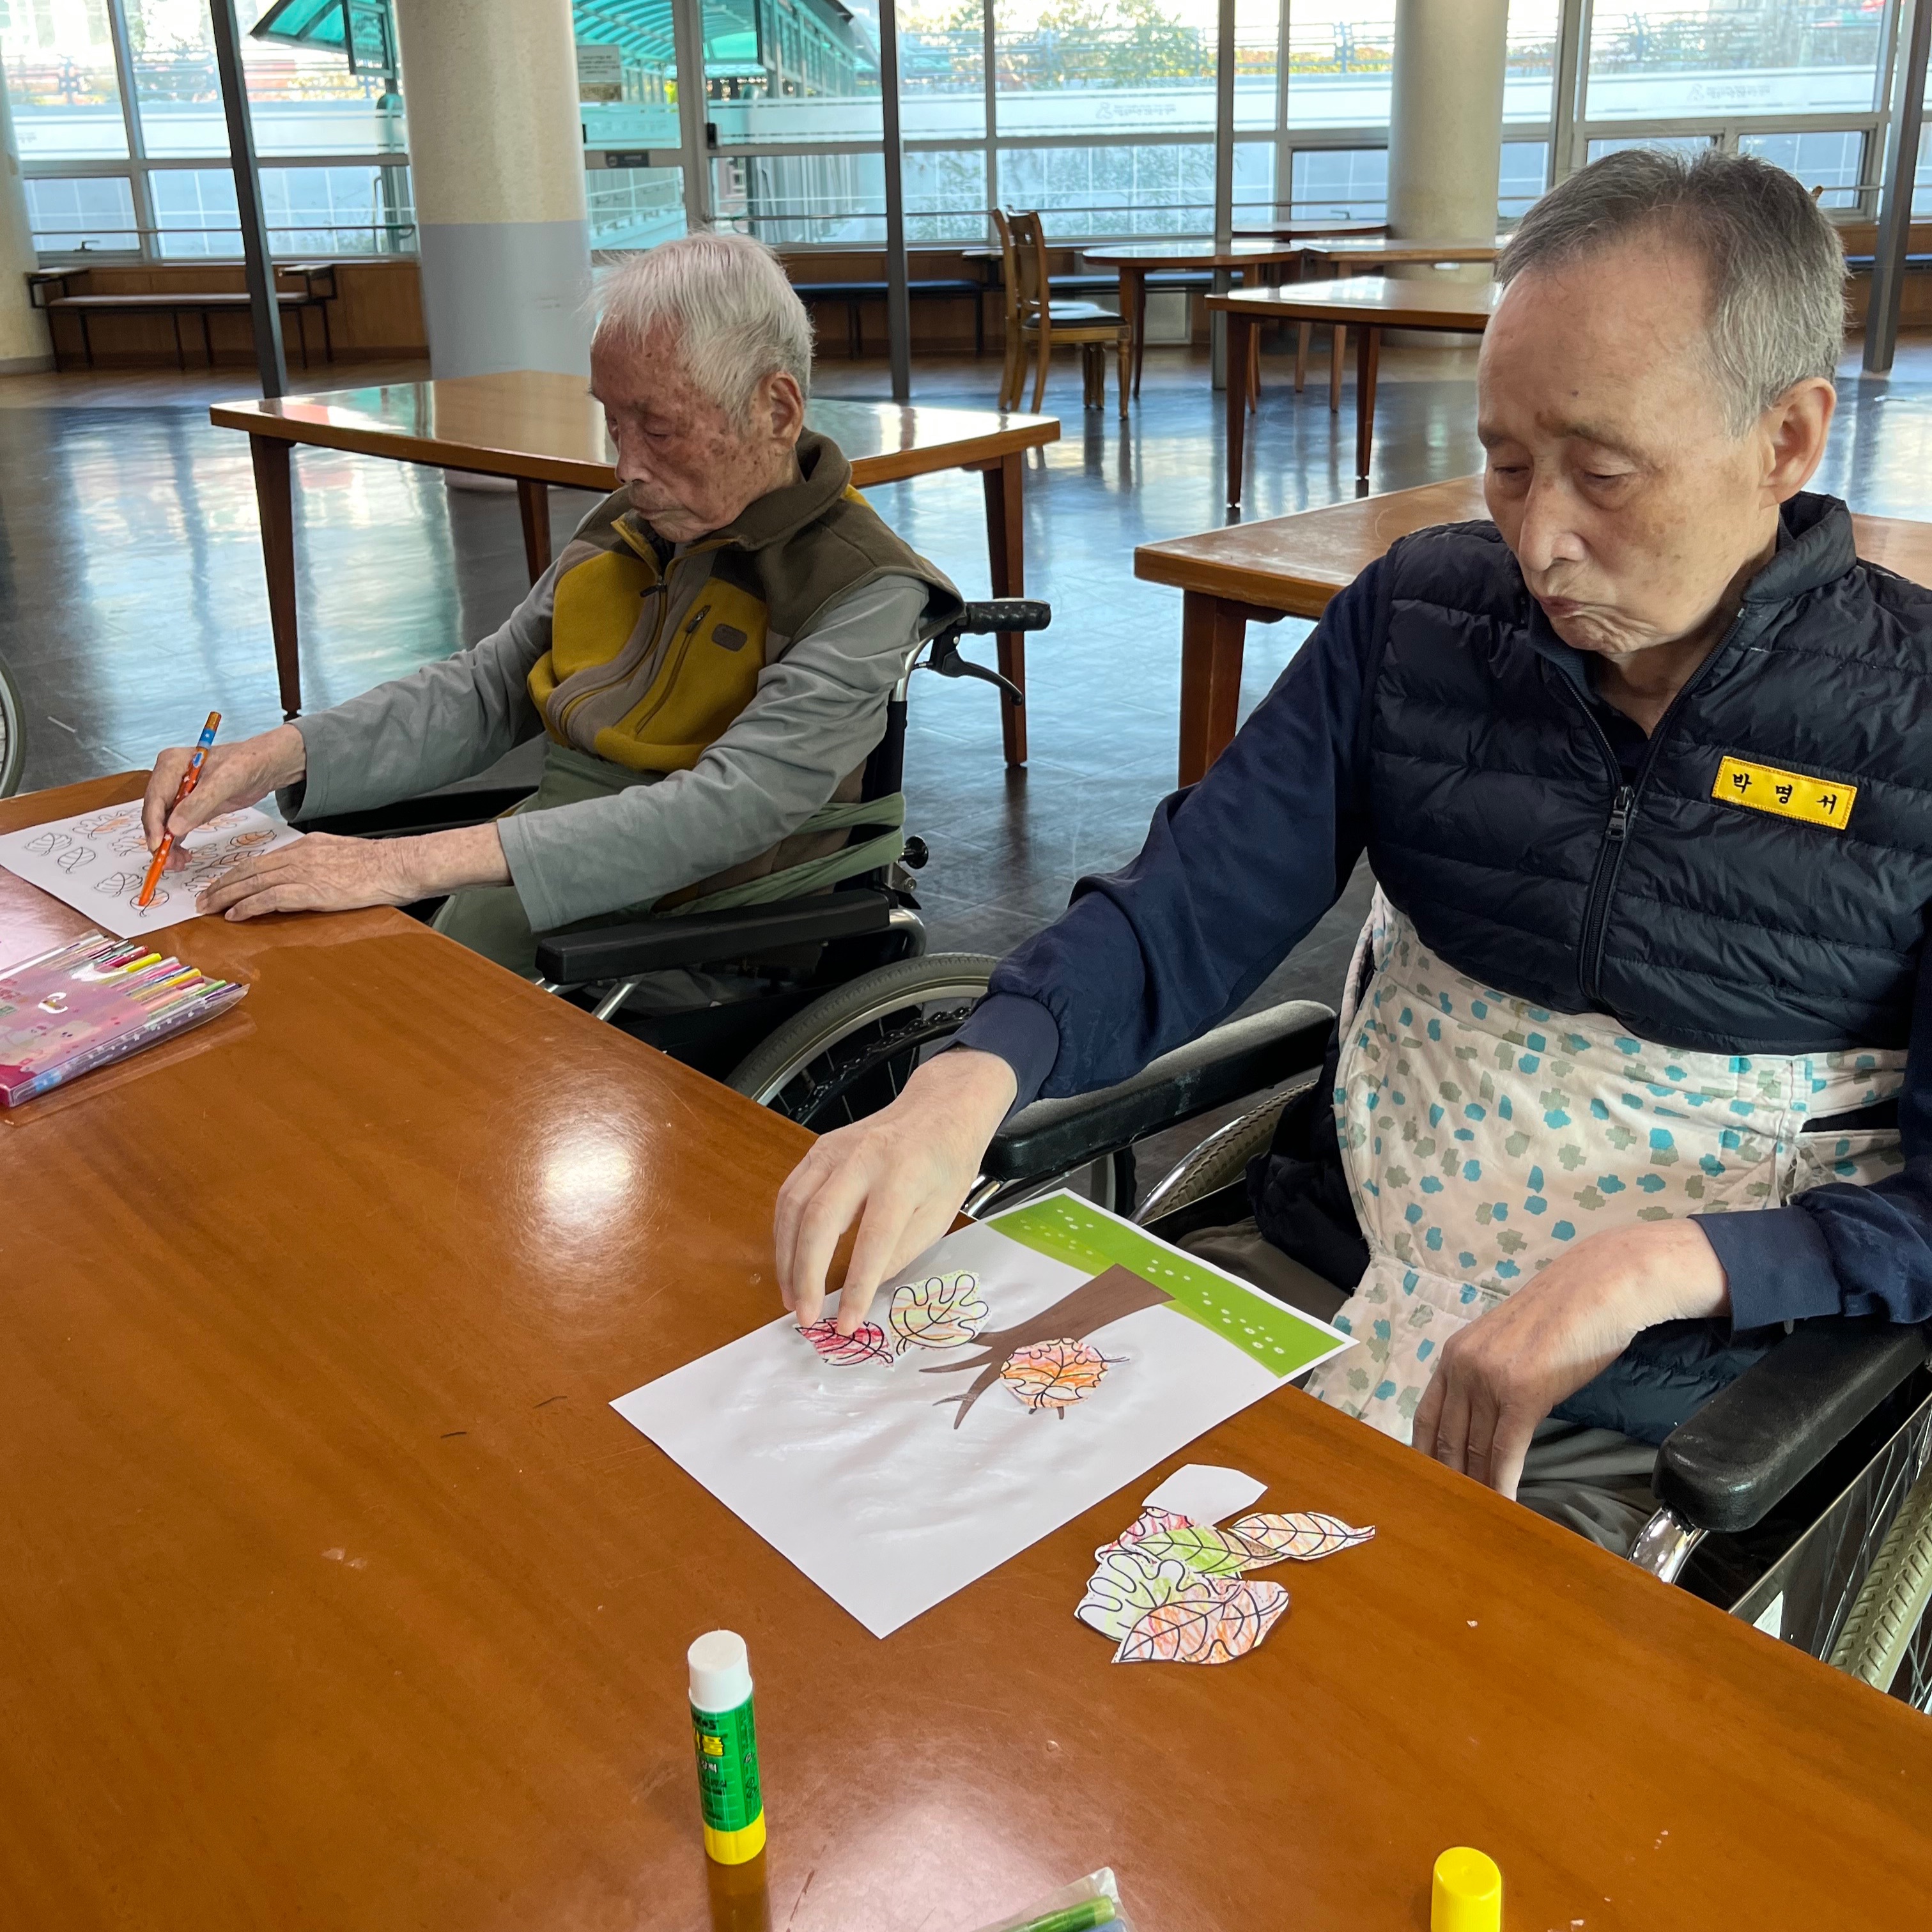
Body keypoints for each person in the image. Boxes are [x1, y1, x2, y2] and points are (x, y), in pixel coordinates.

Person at [773, 149, 1932, 1556]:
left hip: (1673, 1398)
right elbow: (1193, 896)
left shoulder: (1910, 718)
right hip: (1342, 1263)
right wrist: (968, 1075)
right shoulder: (1416, 620)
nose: (1538, 542)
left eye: (1601, 472)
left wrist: (1662, 1264)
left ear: (1784, 439)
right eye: (1505, 464)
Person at [140, 234, 959, 977]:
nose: (624, 467)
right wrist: (270, 757)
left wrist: (399, 863)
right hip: (543, 882)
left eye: (657, 428)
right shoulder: (631, 523)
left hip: (699, 935)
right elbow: (487, 689)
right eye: (612, 422)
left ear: (775, 410)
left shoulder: (864, 585)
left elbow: (728, 809)